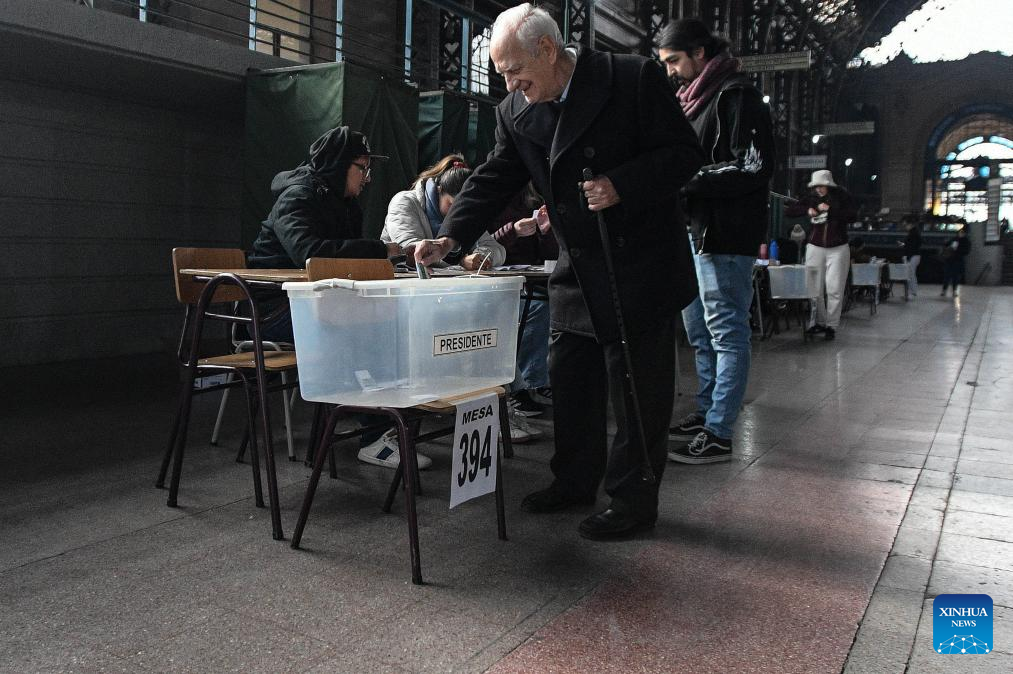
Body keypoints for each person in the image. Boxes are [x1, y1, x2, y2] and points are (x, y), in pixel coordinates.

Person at [415, 4, 704, 540]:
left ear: (547, 50)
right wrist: (449, 237)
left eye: (513, 71)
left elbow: (685, 154)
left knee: (637, 392)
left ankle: (633, 500)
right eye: (502, 74)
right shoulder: (516, 110)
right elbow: (496, 176)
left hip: (638, 264)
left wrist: (622, 184)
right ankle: (573, 480)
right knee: (571, 379)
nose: (509, 84)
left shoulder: (632, 78)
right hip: (577, 265)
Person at [248, 126, 433, 471]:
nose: (367, 178)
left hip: (319, 303)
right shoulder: (296, 198)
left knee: (395, 320)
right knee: (363, 330)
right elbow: (310, 253)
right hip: (274, 310)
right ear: (338, 165)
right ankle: (373, 436)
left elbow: (347, 261)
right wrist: (382, 250)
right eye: (362, 168)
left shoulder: (346, 204)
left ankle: (386, 423)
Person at [656, 19, 774, 464]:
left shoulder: (736, 95)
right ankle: (707, 412)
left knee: (726, 332)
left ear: (700, 53)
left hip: (726, 234)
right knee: (700, 332)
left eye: (674, 60)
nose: (670, 71)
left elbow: (752, 166)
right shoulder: (696, 101)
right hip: (696, 231)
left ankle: (720, 432)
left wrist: (683, 178)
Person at [489, 183, 558, 420]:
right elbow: (484, 249)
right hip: (498, 285)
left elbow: (549, 255)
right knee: (537, 307)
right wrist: (513, 231)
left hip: (529, 281)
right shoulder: (490, 200)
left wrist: (545, 231)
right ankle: (527, 384)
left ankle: (536, 381)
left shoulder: (531, 199)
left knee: (545, 303)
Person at [381, 154, 506, 271]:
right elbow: (411, 251)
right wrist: (461, 261)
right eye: (451, 205)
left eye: (462, 209)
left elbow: (497, 249)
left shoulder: (466, 214)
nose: (456, 213)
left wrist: (481, 257)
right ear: (439, 190)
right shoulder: (404, 202)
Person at [797, 169, 857, 341]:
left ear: (829, 185)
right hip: (815, 246)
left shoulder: (842, 196)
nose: (818, 189)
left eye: (821, 186)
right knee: (814, 287)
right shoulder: (811, 198)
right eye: (816, 186)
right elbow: (791, 210)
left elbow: (852, 216)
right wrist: (810, 208)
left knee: (834, 287)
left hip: (838, 247)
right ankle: (819, 322)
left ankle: (831, 325)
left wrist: (830, 210)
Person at [940, 226, 971, 297]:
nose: (961, 234)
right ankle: (947, 290)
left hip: (955, 260)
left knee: (953, 277)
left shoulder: (959, 240)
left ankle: (951, 290)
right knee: (949, 276)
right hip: (953, 260)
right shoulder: (959, 240)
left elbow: (966, 251)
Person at [900, 221, 922, 297]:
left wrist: (904, 246)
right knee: (911, 274)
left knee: (910, 274)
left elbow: (911, 246)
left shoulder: (913, 234)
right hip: (915, 255)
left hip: (912, 256)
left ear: (910, 225)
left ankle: (911, 291)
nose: (905, 227)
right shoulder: (915, 233)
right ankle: (912, 291)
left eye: (906, 225)